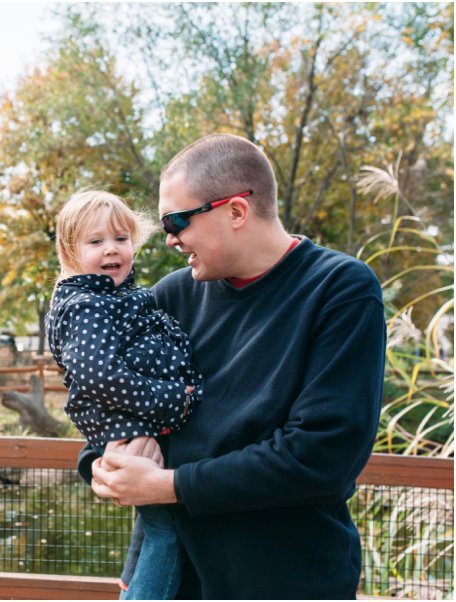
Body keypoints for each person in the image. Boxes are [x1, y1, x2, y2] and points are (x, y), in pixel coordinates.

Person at [82, 133, 385, 598]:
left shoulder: (340, 289)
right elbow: (113, 404)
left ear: (236, 211)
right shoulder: (171, 295)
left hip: (286, 580)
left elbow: (323, 456)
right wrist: (104, 460)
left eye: (178, 220)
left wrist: (170, 485)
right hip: (172, 578)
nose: (169, 238)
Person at [45, 191, 201, 599]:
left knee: (160, 530)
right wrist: (171, 401)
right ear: (69, 250)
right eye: (95, 242)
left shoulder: (114, 297)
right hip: (129, 428)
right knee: (165, 533)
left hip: (137, 425)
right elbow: (98, 376)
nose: (111, 250)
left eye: (121, 238)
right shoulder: (85, 305)